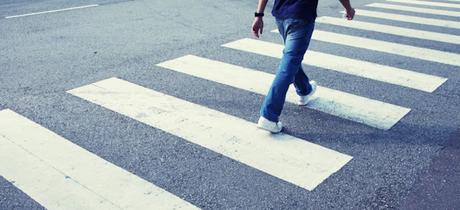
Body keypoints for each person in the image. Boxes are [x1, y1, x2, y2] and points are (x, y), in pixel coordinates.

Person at [252, 0, 355, 133]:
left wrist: (258, 15)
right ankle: (269, 116)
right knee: (289, 64)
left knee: (292, 59)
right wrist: (348, 9)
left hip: (281, 16)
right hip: (301, 16)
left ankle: (304, 90)